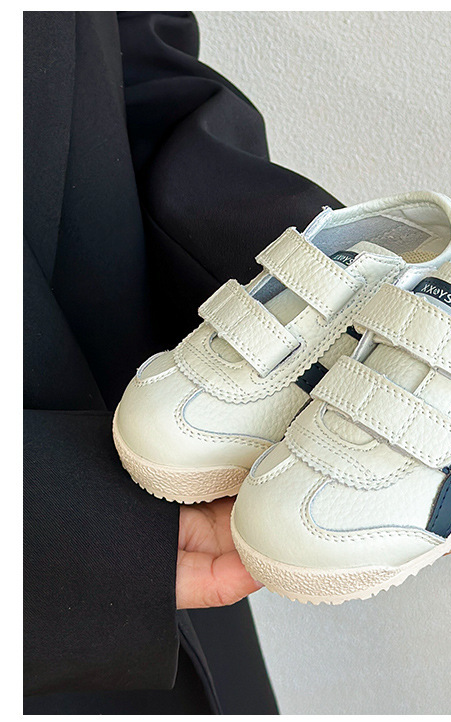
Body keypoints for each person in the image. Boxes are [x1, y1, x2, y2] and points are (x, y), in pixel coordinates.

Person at [23, 11, 340, 713]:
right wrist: (51, 526)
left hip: (173, 461)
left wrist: (307, 295)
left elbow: (134, 66)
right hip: (78, 570)